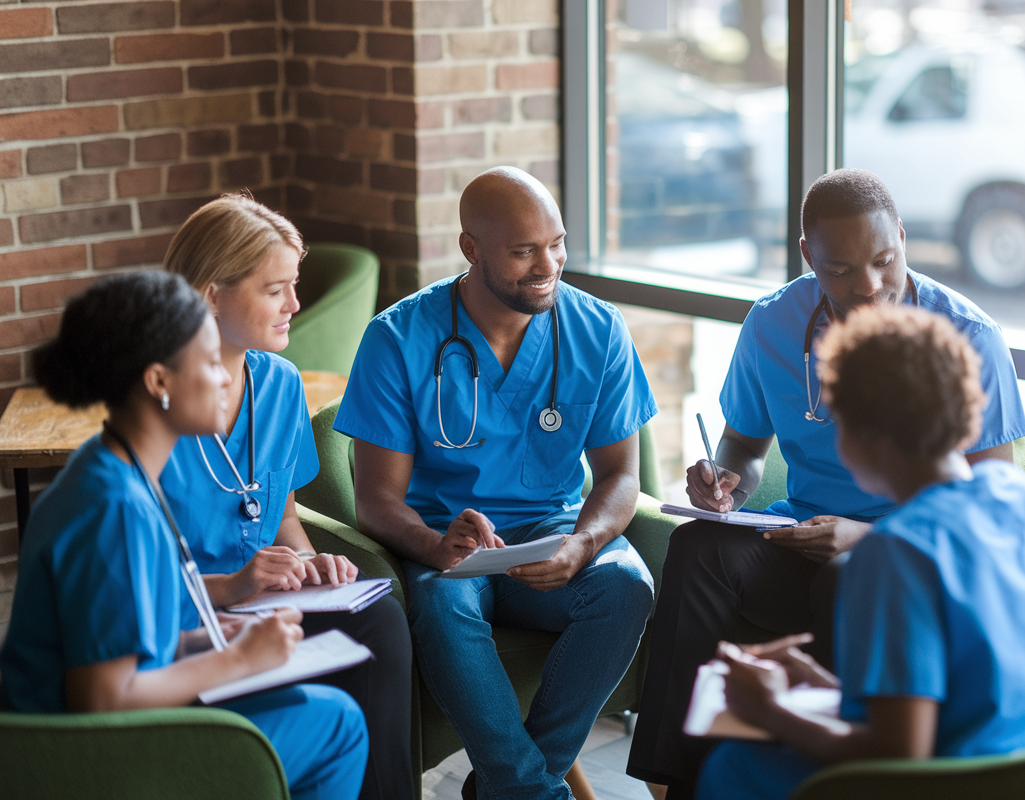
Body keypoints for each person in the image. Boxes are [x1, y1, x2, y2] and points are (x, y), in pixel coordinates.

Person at [628, 168, 1025, 795]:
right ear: (808, 256)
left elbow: (985, 518)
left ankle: (836, 774)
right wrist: (727, 478)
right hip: (800, 529)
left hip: (905, 555)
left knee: (853, 575)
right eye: (840, 270)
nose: (868, 286)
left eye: (884, 260)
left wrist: (863, 537)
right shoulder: (771, 323)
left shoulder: (970, 336)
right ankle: (675, 777)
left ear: (902, 236)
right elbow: (746, 444)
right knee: (698, 550)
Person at [694, 304, 1025, 799]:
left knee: (735, 767)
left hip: (975, 782)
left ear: (863, 438)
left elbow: (899, 755)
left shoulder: (895, 554)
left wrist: (769, 710)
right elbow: (976, 685)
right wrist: (823, 684)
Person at [334, 166, 657, 800]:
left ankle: (506, 787)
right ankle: (531, 792)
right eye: (523, 251)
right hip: (444, 542)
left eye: (556, 243)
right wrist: (435, 547)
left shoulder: (598, 330)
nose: (549, 264)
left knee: (627, 585)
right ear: (471, 249)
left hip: (552, 532)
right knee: (445, 606)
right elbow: (376, 502)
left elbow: (621, 476)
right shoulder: (398, 339)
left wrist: (584, 543)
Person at [0, 272, 368, 800]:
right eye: (209, 360)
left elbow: (106, 642)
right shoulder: (116, 509)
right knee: (336, 725)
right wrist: (237, 661)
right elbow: (101, 701)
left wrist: (204, 639)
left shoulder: (115, 468)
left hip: (89, 731)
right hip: (74, 759)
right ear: (159, 382)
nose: (226, 378)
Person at [159, 194, 416, 799]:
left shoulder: (279, 383)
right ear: (209, 295)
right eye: (276, 289)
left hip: (261, 601)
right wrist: (232, 587)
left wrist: (309, 563)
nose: (296, 306)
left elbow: (283, 518)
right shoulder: (152, 407)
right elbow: (124, 582)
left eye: (295, 285)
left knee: (377, 615)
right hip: (188, 617)